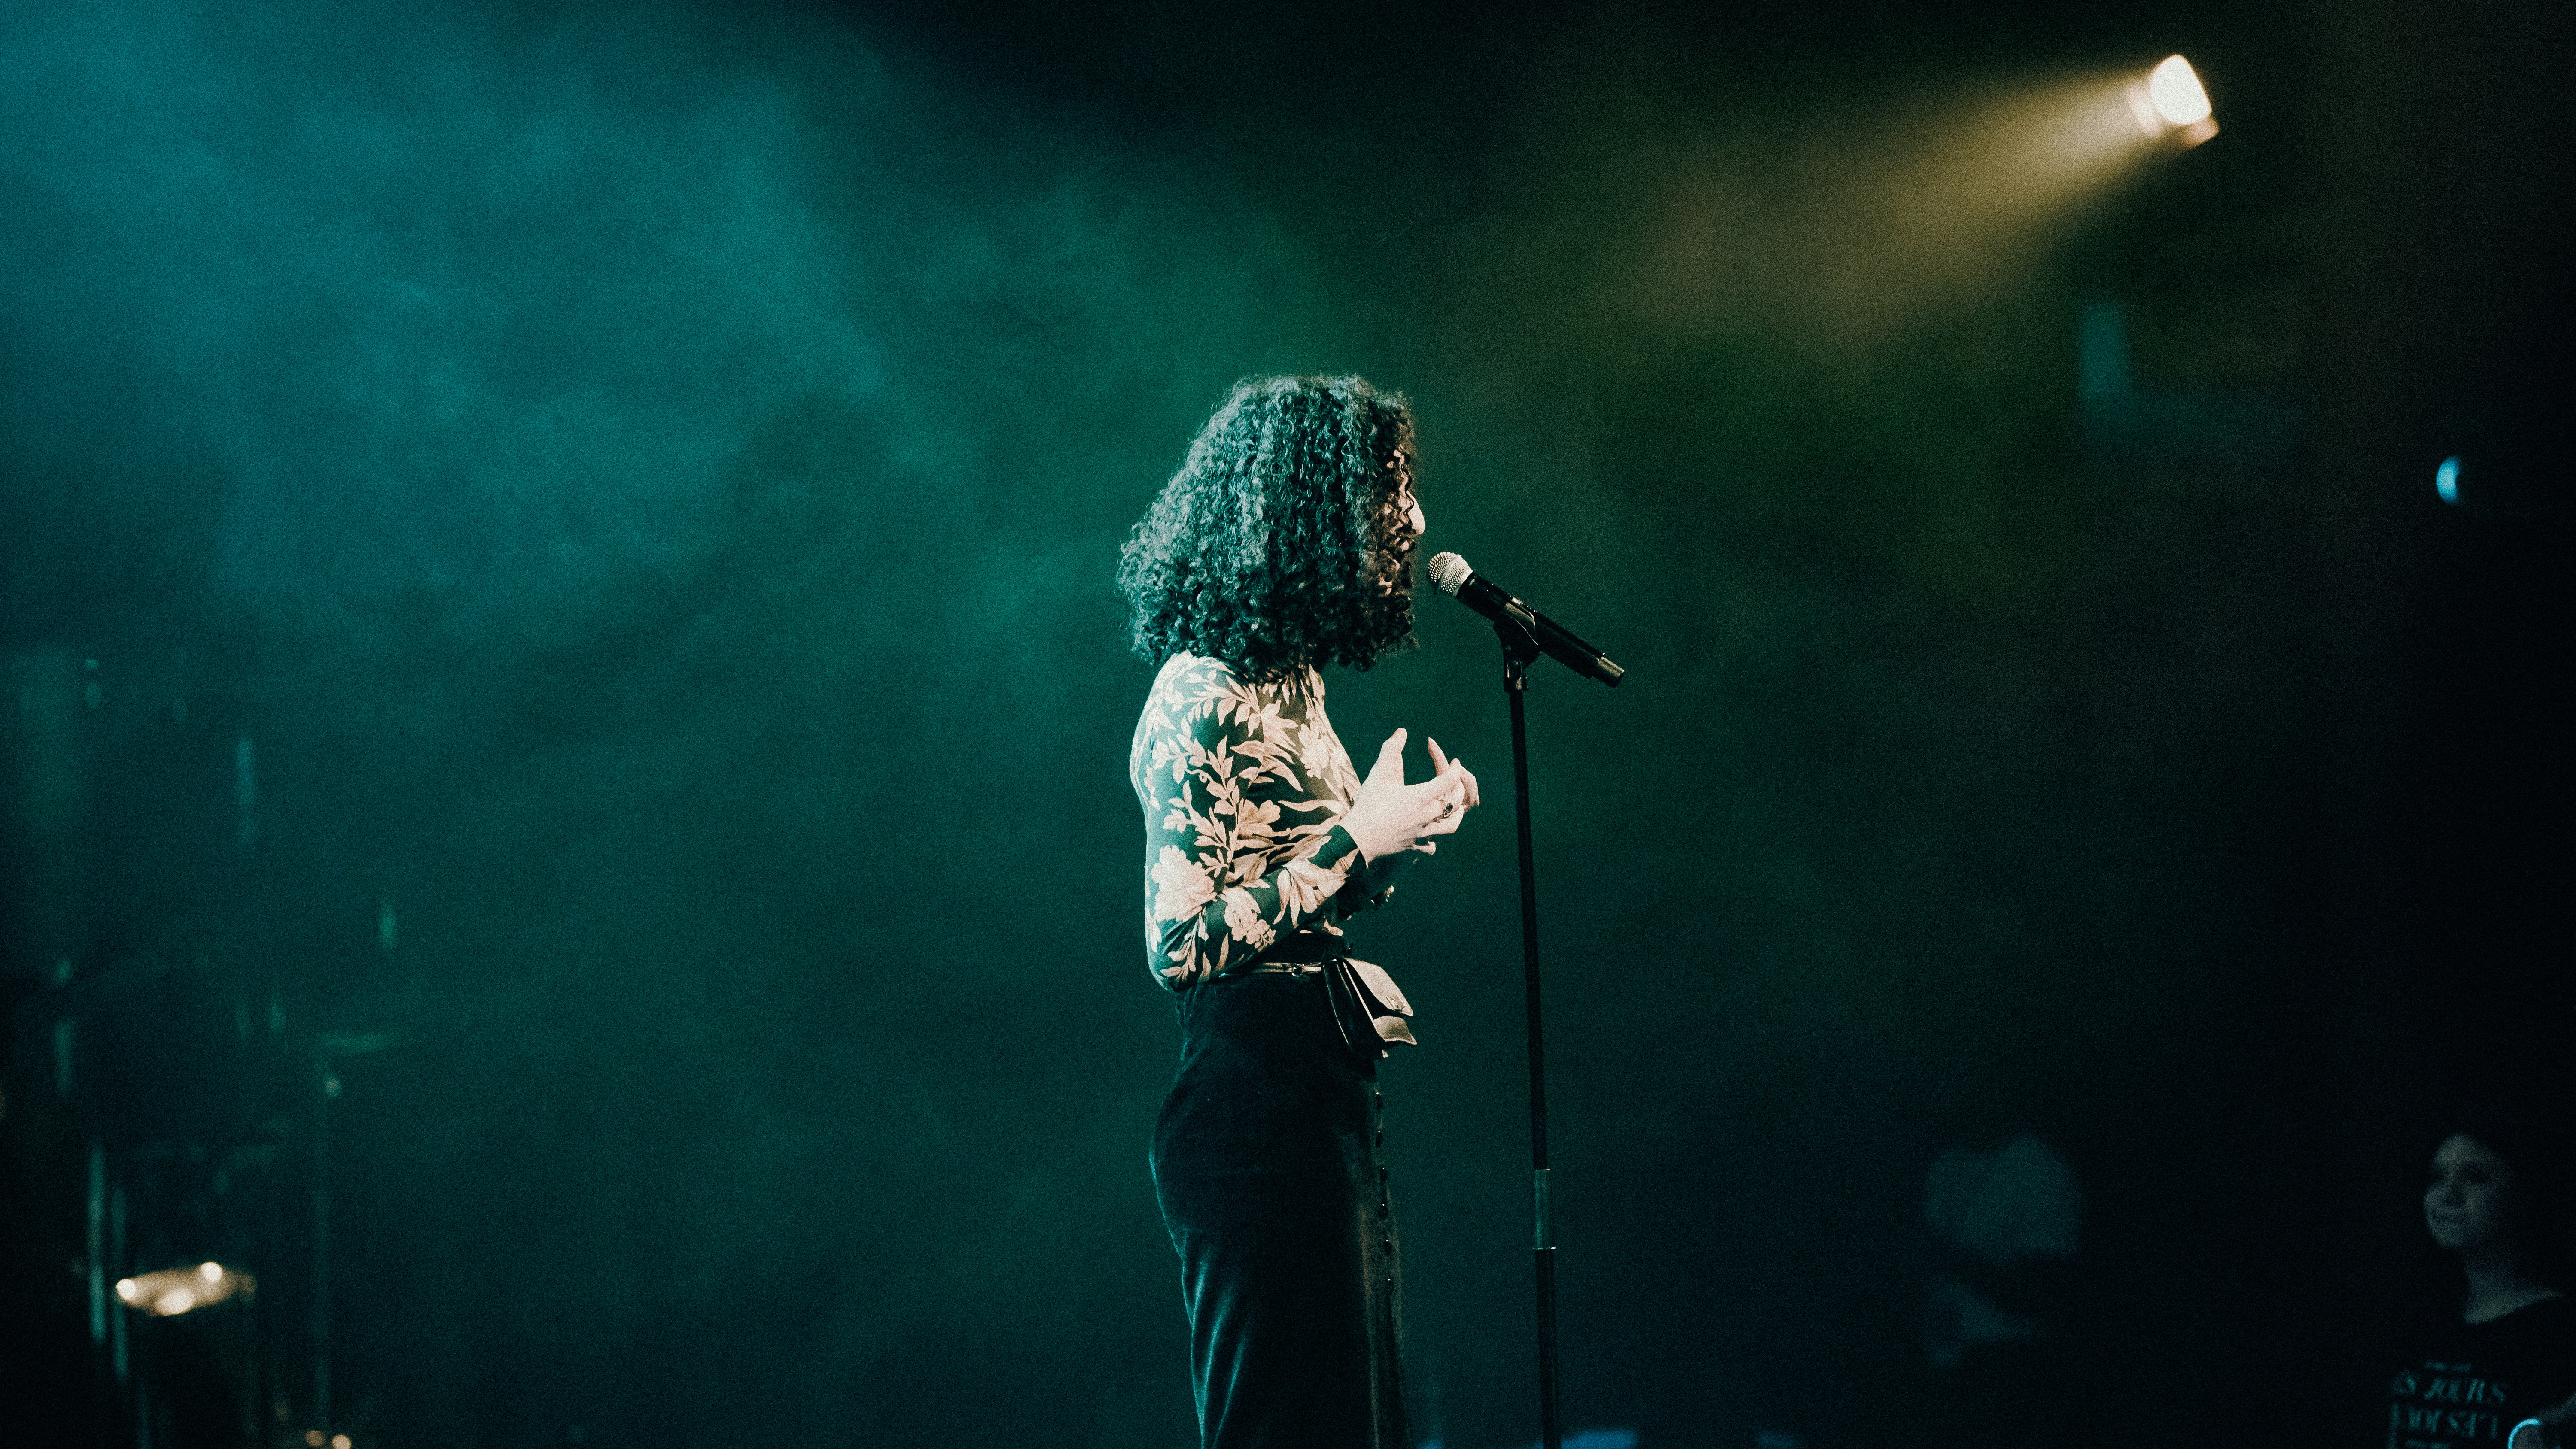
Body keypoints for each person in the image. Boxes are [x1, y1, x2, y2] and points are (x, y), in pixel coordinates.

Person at [1120, 375, 1479, 1449]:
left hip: (1320, 1077)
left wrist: (1388, 839)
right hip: (1249, 1097)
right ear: (1306, 506)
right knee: (1288, 1420)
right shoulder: (1204, 686)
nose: (1412, 520)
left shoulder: (1294, 685)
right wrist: (1353, 840)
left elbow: (1294, 891)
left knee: (1357, 1416)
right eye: (1388, 490)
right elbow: (1181, 942)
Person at [2386, 1116, 2576, 1449]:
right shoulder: (2423, 1320)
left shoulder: (2557, 1328)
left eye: (2475, 1177)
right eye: (2436, 1177)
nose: (2448, 1195)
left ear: (2523, 1194)